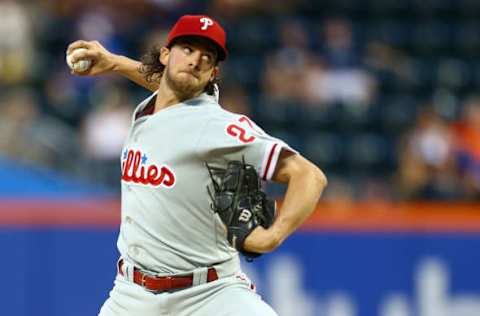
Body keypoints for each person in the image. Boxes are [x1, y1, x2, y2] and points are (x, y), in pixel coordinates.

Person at [67, 14, 327, 316]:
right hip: (131, 295)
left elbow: (309, 175)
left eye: (207, 57)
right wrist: (114, 63)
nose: (195, 61)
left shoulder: (215, 125)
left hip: (209, 295)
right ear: (165, 54)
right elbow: (165, 85)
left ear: (213, 73)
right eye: (188, 49)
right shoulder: (156, 104)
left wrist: (273, 235)